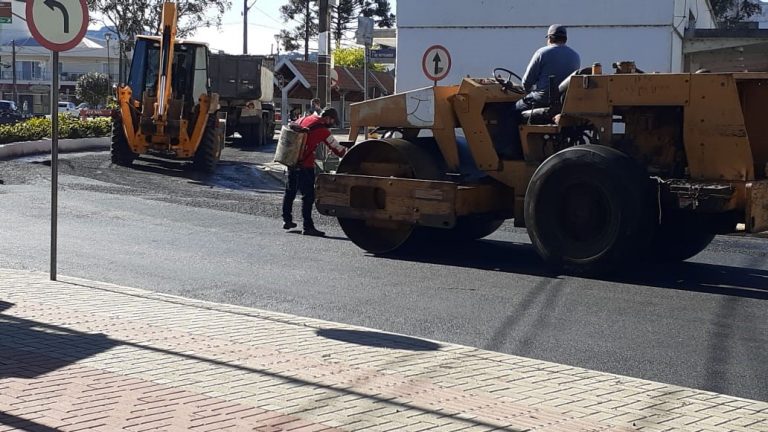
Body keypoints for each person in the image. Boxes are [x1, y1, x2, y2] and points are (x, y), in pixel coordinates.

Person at [282, 107, 348, 237]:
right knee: (308, 196)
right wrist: (350, 152)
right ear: (328, 118)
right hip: (305, 165)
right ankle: (308, 226)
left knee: (290, 191)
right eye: (332, 122)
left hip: (291, 160)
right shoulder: (322, 130)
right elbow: (337, 148)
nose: (332, 125)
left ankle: (287, 220)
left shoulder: (304, 118)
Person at [516, 24, 580, 112]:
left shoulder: (542, 53)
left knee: (511, 111)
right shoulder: (575, 56)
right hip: (564, 102)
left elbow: (527, 82)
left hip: (542, 100)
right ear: (565, 39)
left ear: (550, 38)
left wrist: (528, 91)